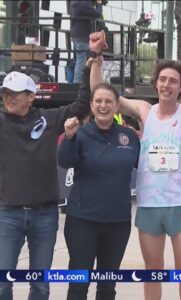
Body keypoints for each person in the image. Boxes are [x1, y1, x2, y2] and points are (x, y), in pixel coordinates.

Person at [90, 44, 181, 298]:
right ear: (155, 83)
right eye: (162, 79)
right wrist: (95, 59)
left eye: (173, 81)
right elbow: (100, 92)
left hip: (180, 204)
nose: (166, 85)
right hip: (149, 205)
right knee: (153, 270)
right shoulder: (144, 111)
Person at [0, 32, 105, 300]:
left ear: (31, 97)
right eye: (5, 93)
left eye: (15, 94)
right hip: (6, 216)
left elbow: (82, 105)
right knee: (2, 284)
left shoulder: (48, 119)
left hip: (44, 216)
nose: (8, 98)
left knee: (41, 285)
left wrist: (91, 60)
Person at [58, 83, 140, 300]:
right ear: (92, 106)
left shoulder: (129, 137)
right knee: (78, 285)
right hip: (82, 221)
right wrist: (68, 137)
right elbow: (65, 160)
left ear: (116, 107)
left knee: (107, 286)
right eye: (98, 101)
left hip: (117, 223)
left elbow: (148, 165)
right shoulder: (79, 133)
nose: (103, 106)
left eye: (109, 101)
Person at [70, 0, 107, 83]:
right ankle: (78, 82)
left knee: (79, 59)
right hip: (83, 36)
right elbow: (97, 14)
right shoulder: (84, 3)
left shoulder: (75, 2)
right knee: (81, 60)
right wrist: (99, 4)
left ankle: (78, 81)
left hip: (76, 35)